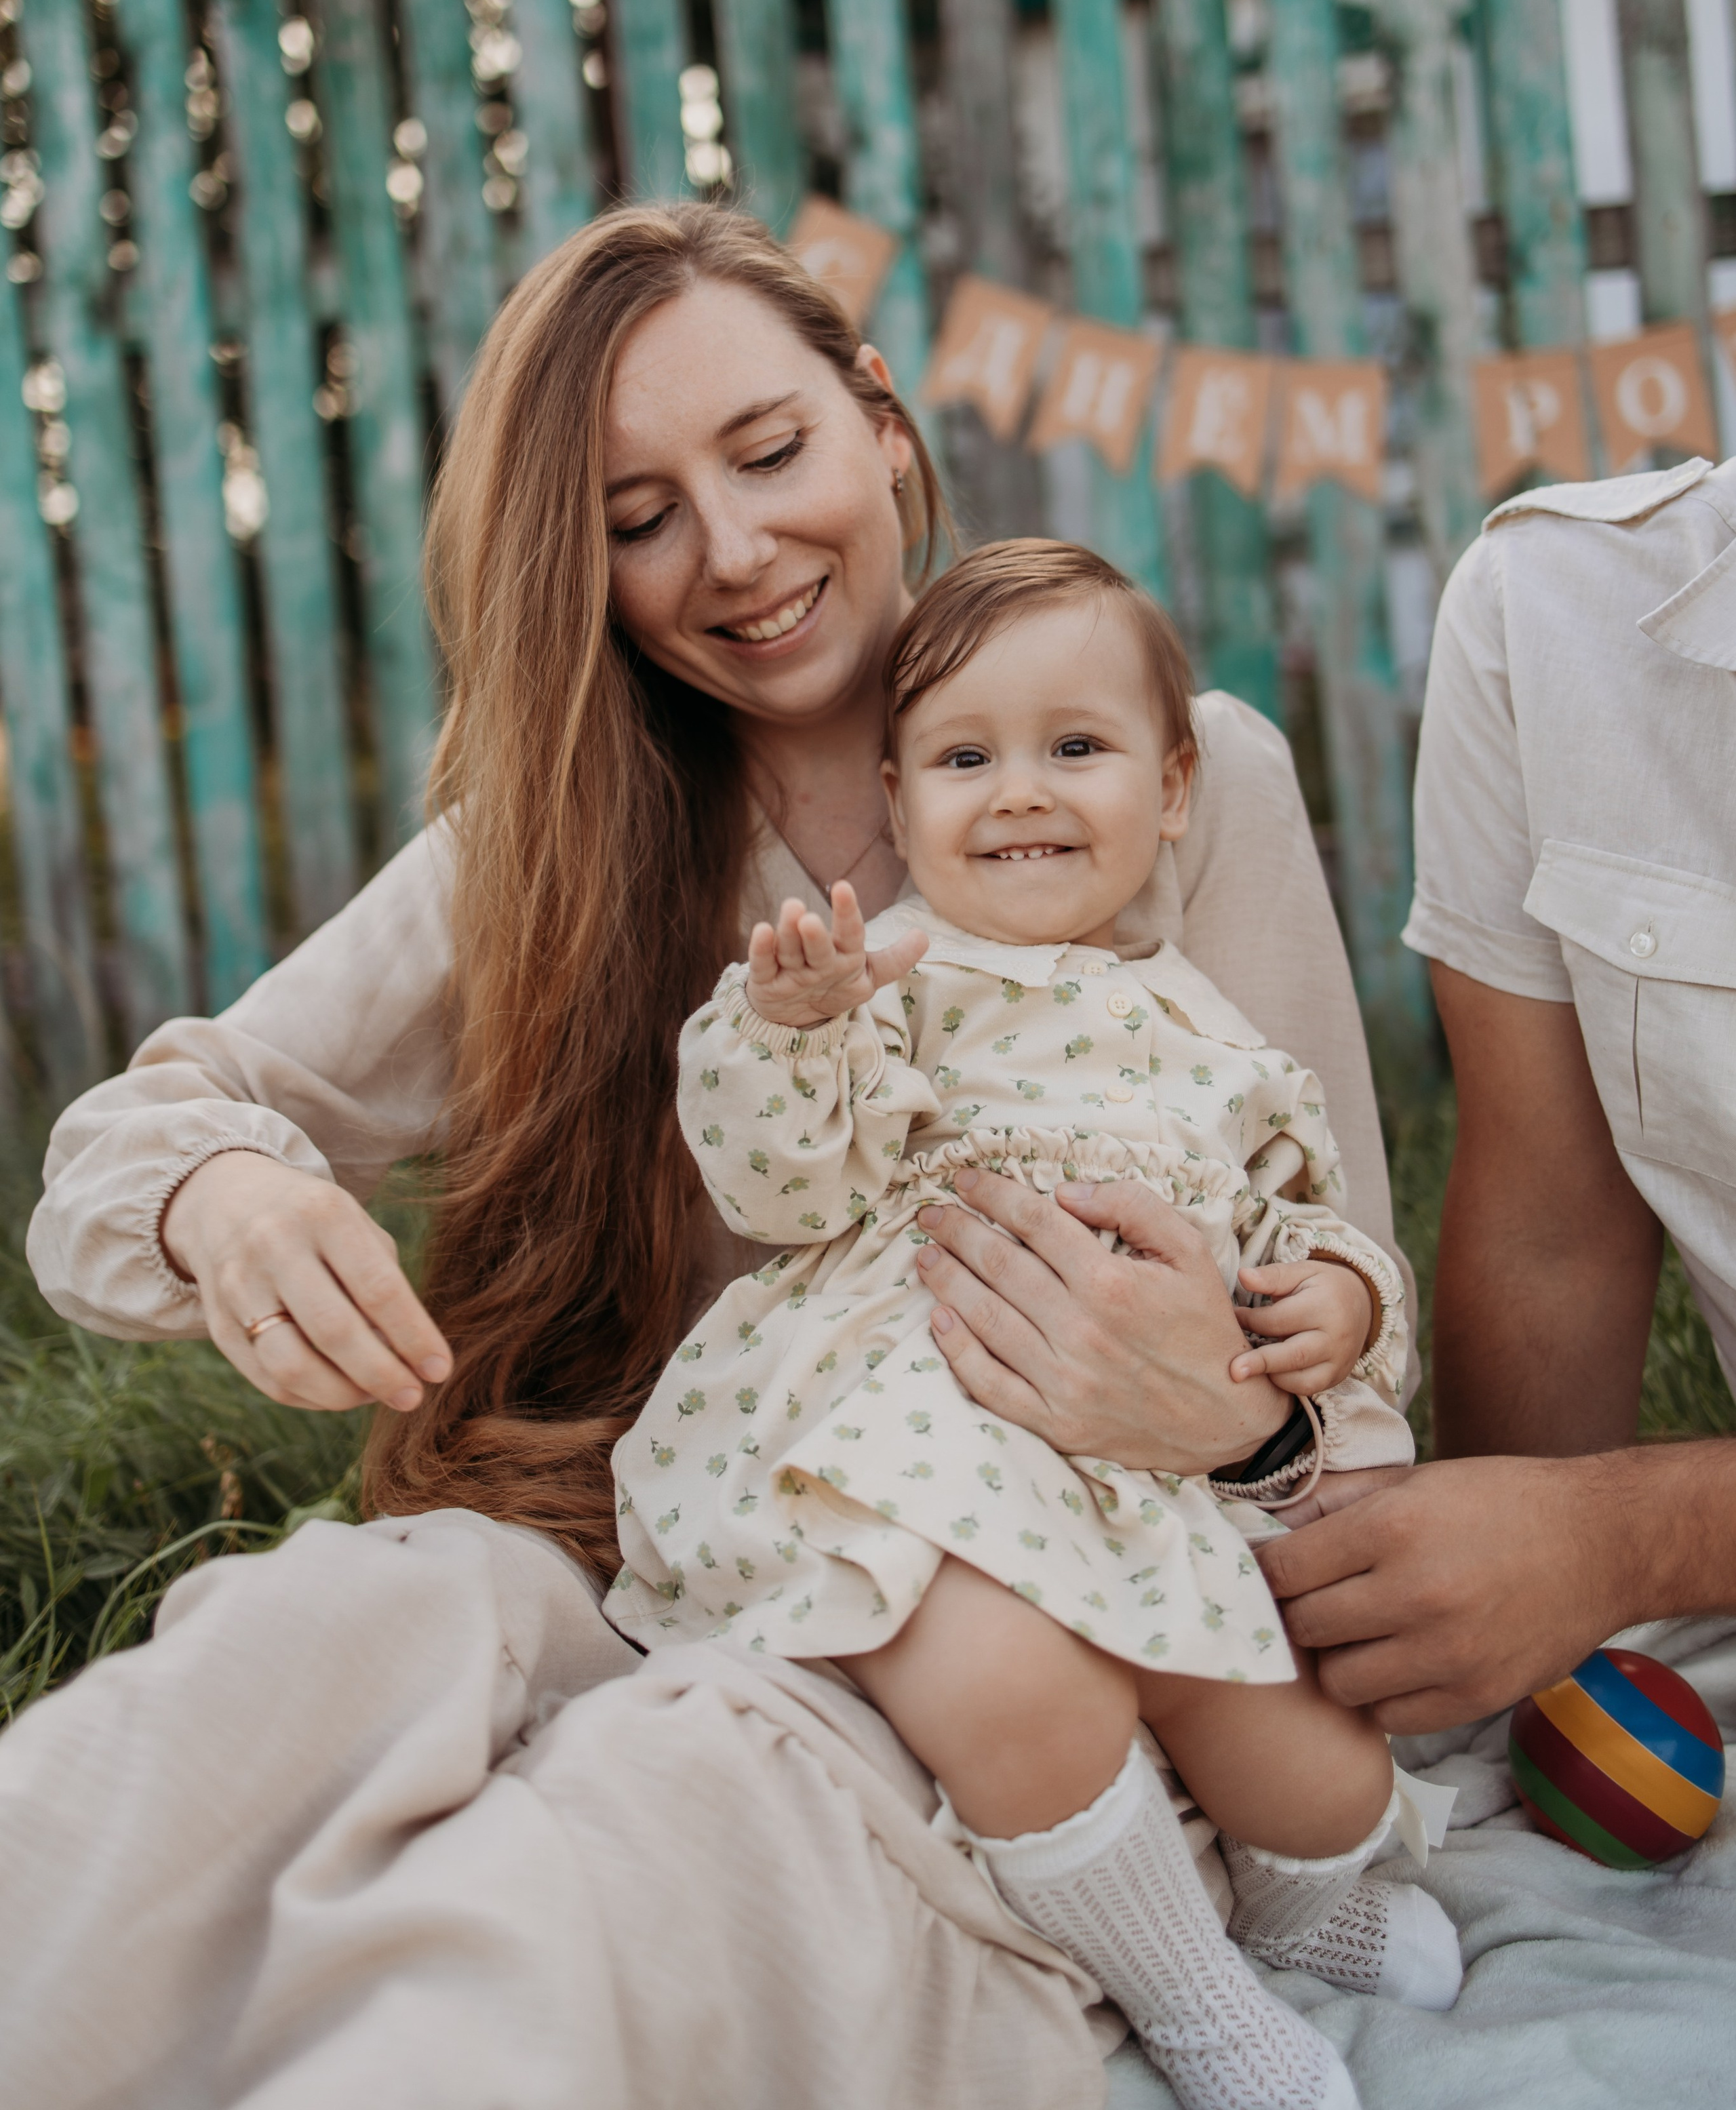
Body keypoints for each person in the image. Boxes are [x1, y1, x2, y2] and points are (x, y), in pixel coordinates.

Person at [14, 205, 1408, 2102]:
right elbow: (123, 1145)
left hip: (998, 1626)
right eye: (636, 512)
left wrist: (1244, 1419)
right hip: (641, 1536)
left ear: (883, 426)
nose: (735, 553)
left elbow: (1349, 1320)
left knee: (590, 1880)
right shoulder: (556, 846)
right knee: (283, 1661)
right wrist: (226, 1190)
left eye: (769, 455)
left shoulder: (1160, 771)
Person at [612, 540, 1457, 2110]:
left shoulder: (1210, 1034)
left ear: (1174, 786)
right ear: (895, 795)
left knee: (1327, 1774)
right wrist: (789, 1031)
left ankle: (1294, 1902)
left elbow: (1294, 1220)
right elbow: (786, 1177)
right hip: (916, 1422)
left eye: (1073, 748)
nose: (1016, 792)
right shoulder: (900, 984)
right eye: (961, 758)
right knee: (1014, 1689)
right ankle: (1194, 2004)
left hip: (1136, 1465)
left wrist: (1337, 1297)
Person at [1265, 458, 1736, 1736]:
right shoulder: (1556, 607)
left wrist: (1628, 1540)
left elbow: (1617, 1543)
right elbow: (1552, 1222)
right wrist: (1479, 1626)